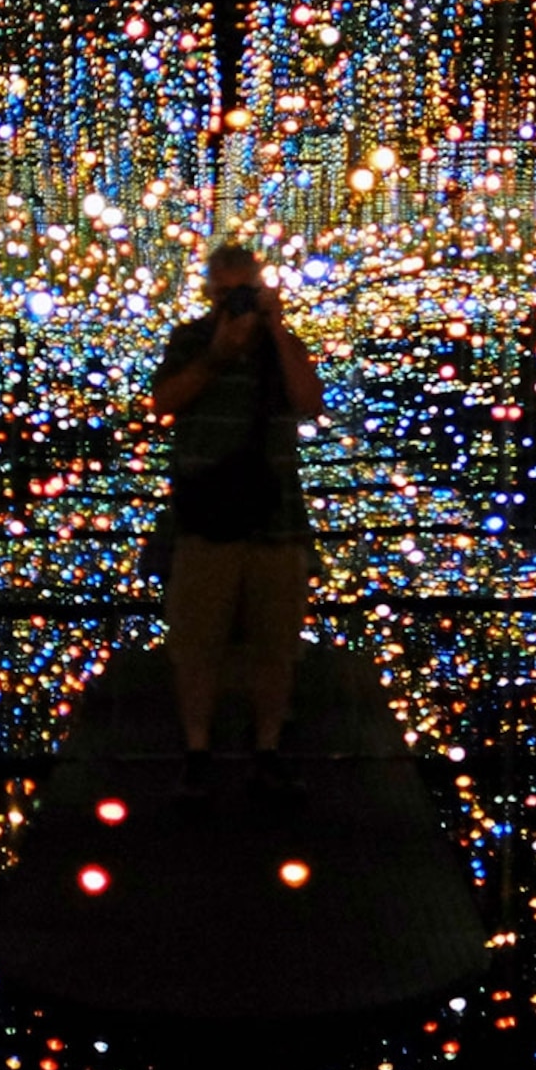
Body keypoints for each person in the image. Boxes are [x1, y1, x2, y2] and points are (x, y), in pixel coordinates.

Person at [148, 242, 325, 804]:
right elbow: (164, 403)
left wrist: (274, 329)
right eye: (225, 292)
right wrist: (216, 356)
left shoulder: (282, 346)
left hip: (274, 516)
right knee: (197, 640)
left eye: (243, 290)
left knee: (275, 643)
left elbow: (309, 401)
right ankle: (197, 750)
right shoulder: (191, 340)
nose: (234, 301)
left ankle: (267, 748)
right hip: (205, 516)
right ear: (208, 293)